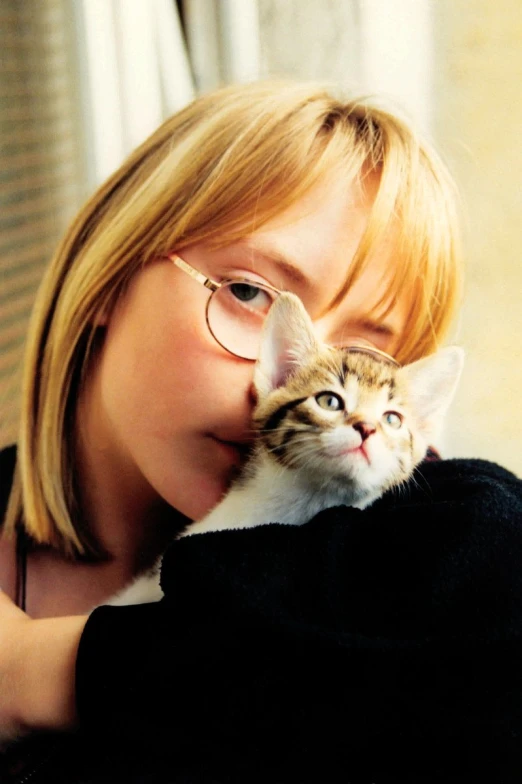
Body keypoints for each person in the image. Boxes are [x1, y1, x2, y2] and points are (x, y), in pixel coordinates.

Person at [1, 80, 521, 783]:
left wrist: (37, 668)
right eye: (249, 293)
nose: (278, 384)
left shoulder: (400, 553)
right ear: (111, 275)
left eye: (365, 358)